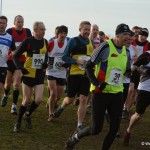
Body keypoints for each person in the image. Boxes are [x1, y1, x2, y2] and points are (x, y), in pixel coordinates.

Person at [65, 23, 131, 150]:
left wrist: (136, 70)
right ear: (117, 35)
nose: (127, 37)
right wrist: (96, 83)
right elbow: (89, 66)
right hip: (100, 92)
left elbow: (127, 71)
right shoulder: (104, 47)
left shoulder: (126, 51)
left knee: (114, 128)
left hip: (117, 93)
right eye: (125, 34)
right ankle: (75, 138)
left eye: (128, 35)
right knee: (96, 129)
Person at [53, 21, 94, 130]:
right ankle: (62, 106)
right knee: (70, 99)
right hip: (74, 74)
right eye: (85, 29)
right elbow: (64, 57)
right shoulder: (73, 41)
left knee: (83, 99)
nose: (87, 32)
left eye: (88, 30)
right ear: (80, 29)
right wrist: (76, 61)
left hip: (86, 75)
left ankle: (79, 124)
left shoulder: (91, 43)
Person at [13, 21, 48, 132]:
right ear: (36, 30)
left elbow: (45, 55)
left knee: (38, 100)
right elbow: (15, 56)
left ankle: (27, 115)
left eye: (44, 29)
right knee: (26, 100)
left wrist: (45, 63)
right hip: (28, 73)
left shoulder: (45, 42)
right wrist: (20, 67)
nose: (44, 31)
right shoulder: (28, 41)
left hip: (39, 75)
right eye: (42, 29)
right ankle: (18, 123)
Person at [1, 15, 32, 114]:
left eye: (22, 22)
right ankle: (6, 95)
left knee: (17, 83)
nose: (20, 24)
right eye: (18, 22)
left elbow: (30, 44)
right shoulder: (10, 31)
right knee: (7, 84)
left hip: (21, 61)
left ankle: (13, 105)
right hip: (10, 60)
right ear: (14, 23)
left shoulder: (27, 32)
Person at [123, 50, 150, 146]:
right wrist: (144, 71)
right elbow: (134, 67)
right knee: (138, 115)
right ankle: (128, 130)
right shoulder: (147, 55)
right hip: (145, 90)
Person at [122, 28, 150, 118]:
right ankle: (121, 107)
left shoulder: (148, 45)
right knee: (128, 90)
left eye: (145, 36)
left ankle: (126, 109)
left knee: (133, 91)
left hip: (141, 71)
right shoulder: (131, 41)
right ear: (138, 35)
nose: (143, 37)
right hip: (128, 69)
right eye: (142, 35)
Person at [46, 25, 70, 122]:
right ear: (57, 34)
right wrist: (46, 63)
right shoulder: (51, 43)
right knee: (53, 93)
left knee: (58, 96)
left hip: (61, 72)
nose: (63, 35)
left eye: (65, 33)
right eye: (61, 33)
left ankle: (49, 102)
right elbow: (44, 53)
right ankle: (51, 114)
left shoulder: (68, 44)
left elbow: (70, 55)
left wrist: (67, 63)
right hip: (51, 70)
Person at [122, 31, 138, 119]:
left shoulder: (134, 48)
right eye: (128, 39)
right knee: (121, 92)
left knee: (131, 90)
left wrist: (136, 60)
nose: (130, 41)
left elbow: (137, 60)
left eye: (132, 40)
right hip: (121, 73)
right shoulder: (121, 47)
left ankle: (126, 109)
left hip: (131, 72)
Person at [0, 16, 16, 102]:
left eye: (3, 23)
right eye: (0, 23)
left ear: (6, 25)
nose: (1, 25)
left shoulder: (9, 37)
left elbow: (14, 50)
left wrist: (13, 53)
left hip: (2, 66)